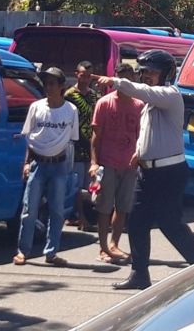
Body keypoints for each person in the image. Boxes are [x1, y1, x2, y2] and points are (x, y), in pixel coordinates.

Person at [93, 49, 194, 291]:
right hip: (147, 173)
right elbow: (149, 133)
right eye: (144, 72)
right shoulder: (149, 106)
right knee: (136, 221)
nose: (146, 77)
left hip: (168, 173)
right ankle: (139, 274)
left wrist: (116, 81)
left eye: (152, 72)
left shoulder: (170, 95)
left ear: (165, 74)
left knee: (170, 224)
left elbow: (143, 91)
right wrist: (139, 152)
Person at [13, 67, 78, 267]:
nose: (48, 87)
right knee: (29, 210)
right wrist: (26, 163)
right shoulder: (36, 108)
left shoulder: (71, 111)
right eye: (46, 83)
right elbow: (30, 138)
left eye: (52, 83)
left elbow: (71, 140)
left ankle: (51, 251)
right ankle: (23, 250)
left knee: (57, 211)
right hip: (38, 165)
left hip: (59, 166)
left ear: (61, 87)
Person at [89, 62, 142, 264]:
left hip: (129, 165)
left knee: (123, 208)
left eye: (129, 77)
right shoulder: (104, 103)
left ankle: (114, 244)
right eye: (121, 77)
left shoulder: (139, 105)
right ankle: (103, 247)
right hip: (107, 162)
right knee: (104, 207)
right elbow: (96, 136)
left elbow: (141, 136)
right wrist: (94, 162)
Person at [64, 61, 98, 231]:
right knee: (76, 185)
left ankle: (80, 215)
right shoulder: (69, 95)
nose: (85, 80)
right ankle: (81, 218)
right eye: (83, 76)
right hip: (75, 146)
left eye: (88, 76)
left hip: (90, 146)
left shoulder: (94, 96)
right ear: (76, 74)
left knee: (88, 185)